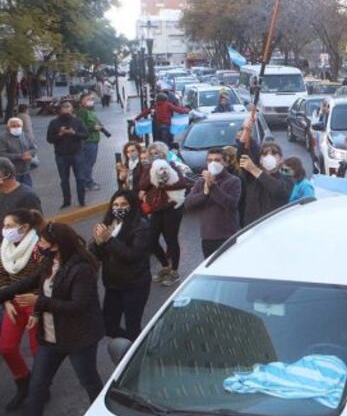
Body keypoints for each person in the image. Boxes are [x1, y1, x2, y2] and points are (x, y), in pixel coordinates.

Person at [0, 223, 104, 416]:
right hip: (50, 338)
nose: (39, 245)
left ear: (57, 245)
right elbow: (27, 282)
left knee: (90, 384)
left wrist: (39, 302)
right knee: (36, 391)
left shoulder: (81, 269)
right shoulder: (49, 261)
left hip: (78, 339)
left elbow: (77, 306)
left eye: (43, 242)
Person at [89, 190, 152, 340]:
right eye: (116, 204)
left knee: (132, 327)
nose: (119, 208)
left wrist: (109, 240)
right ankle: (134, 346)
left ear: (132, 205)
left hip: (135, 285)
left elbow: (132, 255)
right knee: (109, 326)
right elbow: (95, 255)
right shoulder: (109, 224)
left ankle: (135, 353)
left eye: (124, 204)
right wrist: (98, 243)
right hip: (113, 285)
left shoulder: (141, 226)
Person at [0, 209, 46, 411]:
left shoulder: (39, 247)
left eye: (9, 226)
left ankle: (41, 389)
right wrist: (6, 300)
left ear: (24, 227)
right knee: (6, 347)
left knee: (38, 351)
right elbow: (1, 274)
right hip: (13, 303)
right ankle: (23, 384)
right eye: (4, 226)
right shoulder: (5, 247)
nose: (4, 230)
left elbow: (44, 279)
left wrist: (37, 310)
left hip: (35, 303)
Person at [140, 143, 193, 287]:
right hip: (156, 208)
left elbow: (185, 182)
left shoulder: (173, 165)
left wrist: (163, 185)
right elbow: (143, 185)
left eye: (157, 152)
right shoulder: (147, 168)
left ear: (164, 153)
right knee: (151, 239)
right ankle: (165, 266)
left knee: (171, 239)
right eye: (152, 153)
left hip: (172, 207)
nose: (155, 155)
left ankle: (174, 271)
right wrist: (151, 175)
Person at [185, 148, 243, 257]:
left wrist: (213, 187)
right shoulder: (201, 181)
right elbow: (188, 204)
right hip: (208, 236)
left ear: (225, 162)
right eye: (210, 160)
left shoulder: (233, 181)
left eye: (217, 160)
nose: (213, 163)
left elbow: (231, 204)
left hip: (227, 236)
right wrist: (205, 193)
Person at [239, 141, 293, 226]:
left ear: (281, 159)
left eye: (274, 154)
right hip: (253, 228)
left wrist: (254, 169)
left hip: (277, 226)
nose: (269, 157)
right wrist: (246, 133)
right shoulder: (252, 177)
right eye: (265, 154)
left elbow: (279, 190)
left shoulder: (287, 176)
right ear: (260, 160)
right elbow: (242, 156)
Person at [46, 100, 88, 209]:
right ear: (60, 110)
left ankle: (82, 200)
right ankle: (66, 201)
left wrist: (74, 133)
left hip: (77, 154)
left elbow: (85, 135)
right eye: (63, 107)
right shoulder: (54, 123)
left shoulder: (77, 121)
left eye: (68, 106)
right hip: (61, 155)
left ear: (72, 109)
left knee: (80, 178)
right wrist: (60, 134)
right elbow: (49, 139)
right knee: (64, 180)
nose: (66, 109)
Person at [76, 93, 105, 192]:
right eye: (87, 99)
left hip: (93, 140)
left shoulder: (89, 111)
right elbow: (79, 127)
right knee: (87, 162)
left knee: (90, 162)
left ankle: (87, 181)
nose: (90, 100)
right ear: (81, 101)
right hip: (88, 141)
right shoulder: (82, 112)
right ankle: (87, 182)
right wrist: (93, 127)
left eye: (92, 99)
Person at [0, 117, 37, 188]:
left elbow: (34, 148)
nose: (16, 128)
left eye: (18, 126)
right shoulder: (2, 138)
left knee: (28, 191)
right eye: (13, 126)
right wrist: (20, 156)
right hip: (12, 173)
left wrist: (29, 154)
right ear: (8, 127)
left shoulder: (25, 135)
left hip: (26, 171)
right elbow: (2, 155)